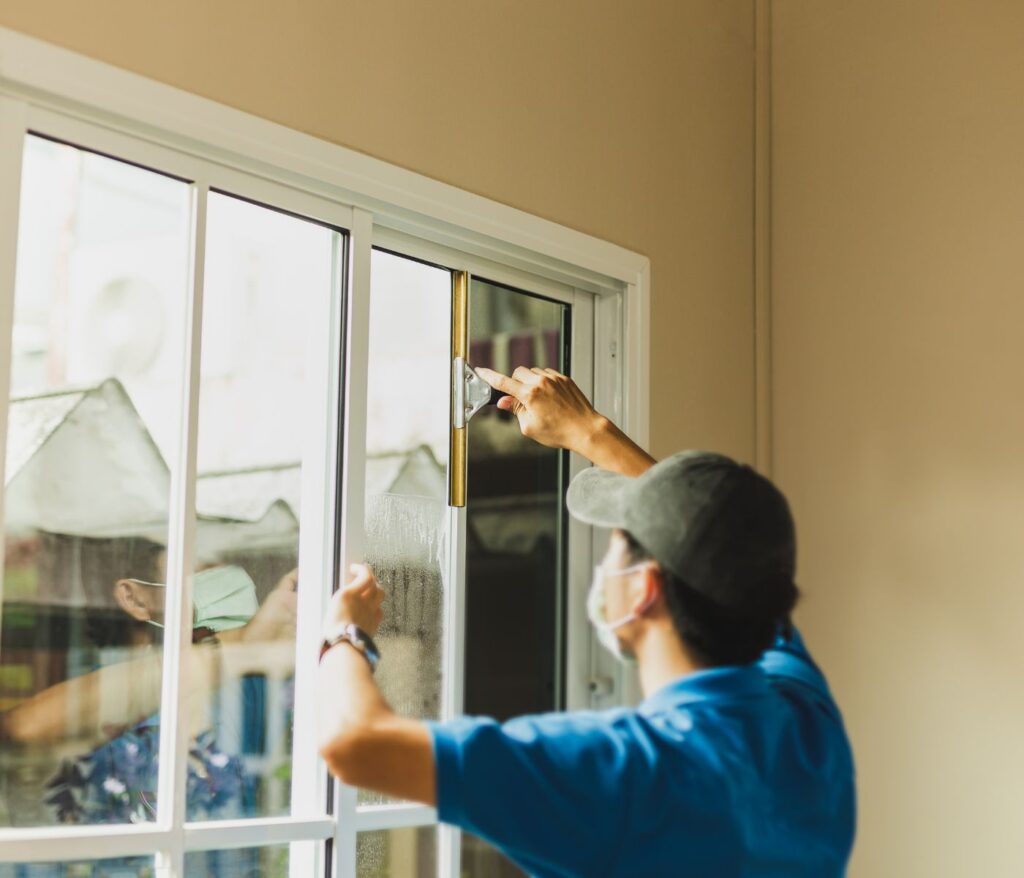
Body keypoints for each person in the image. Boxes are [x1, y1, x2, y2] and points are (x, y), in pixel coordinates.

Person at [316, 366, 856, 877]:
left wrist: (348, 632)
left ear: (644, 588)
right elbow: (730, 558)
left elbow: (356, 744)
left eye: (616, 545)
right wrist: (588, 432)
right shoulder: (806, 724)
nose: (603, 563)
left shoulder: (618, 771)